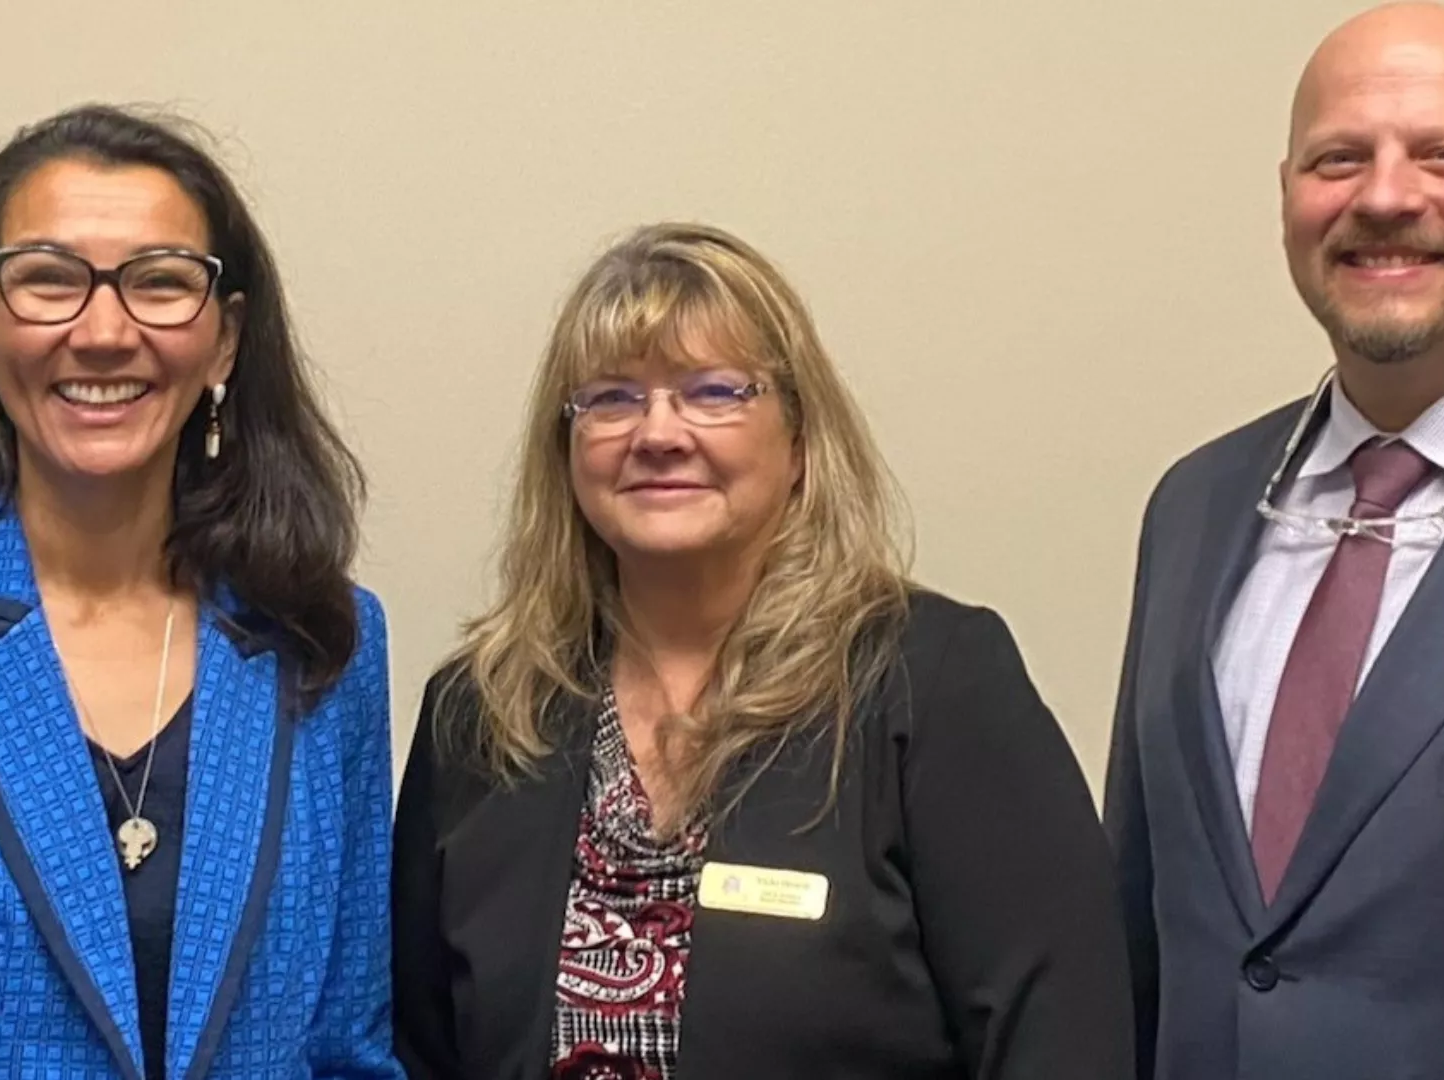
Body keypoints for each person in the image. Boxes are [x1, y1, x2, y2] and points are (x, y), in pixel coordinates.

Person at [0, 104, 405, 1079]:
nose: (104, 331)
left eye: (161, 283)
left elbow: (349, 1049)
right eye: (49, 281)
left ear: (224, 345)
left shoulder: (319, 635)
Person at [392, 221, 1134, 1079]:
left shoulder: (929, 683)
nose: (658, 433)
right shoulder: (485, 711)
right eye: (611, 399)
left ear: (800, 445)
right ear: (565, 453)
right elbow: (421, 1046)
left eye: (713, 392)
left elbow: (1059, 1038)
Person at [1103, 3, 1444, 1078]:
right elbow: (1141, 936)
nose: (1386, 196)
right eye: (1338, 158)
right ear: (1287, 198)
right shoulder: (1196, 505)